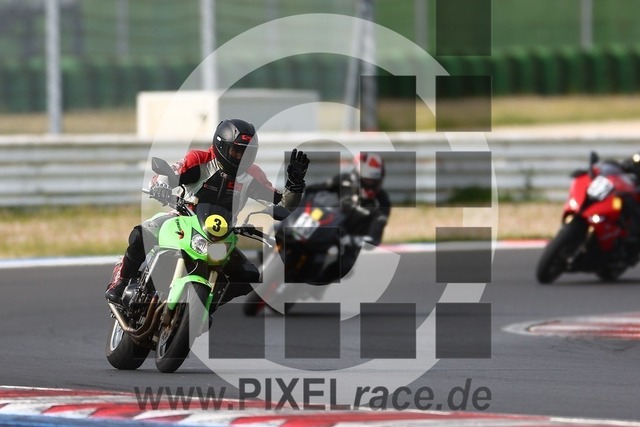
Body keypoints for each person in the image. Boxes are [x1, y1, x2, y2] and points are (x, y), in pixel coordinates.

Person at [106, 118, 310, 304]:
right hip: (181, 221)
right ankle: (121, 281)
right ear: (222, 145)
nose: (240, 157)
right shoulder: (199, 159)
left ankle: (207, 305)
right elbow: (169, 174)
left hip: (220, 237)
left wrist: (295, 184)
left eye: (246, 152)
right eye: (236, 151)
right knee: (141, 235)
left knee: (248, 276)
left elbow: (283, 205)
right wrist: (161, 185)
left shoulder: (252, 175)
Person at [304, 152, 391, 283]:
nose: (371, 184)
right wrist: (303, 193)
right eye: (367, 179)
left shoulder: (382, 201)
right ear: (357, 175)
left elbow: (377, 230)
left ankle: (315, 284)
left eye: (375, 180)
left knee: (346, 266)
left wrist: (363, 240)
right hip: (327, 224)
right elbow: (318, 188)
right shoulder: (344, 181)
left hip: (349, 240)